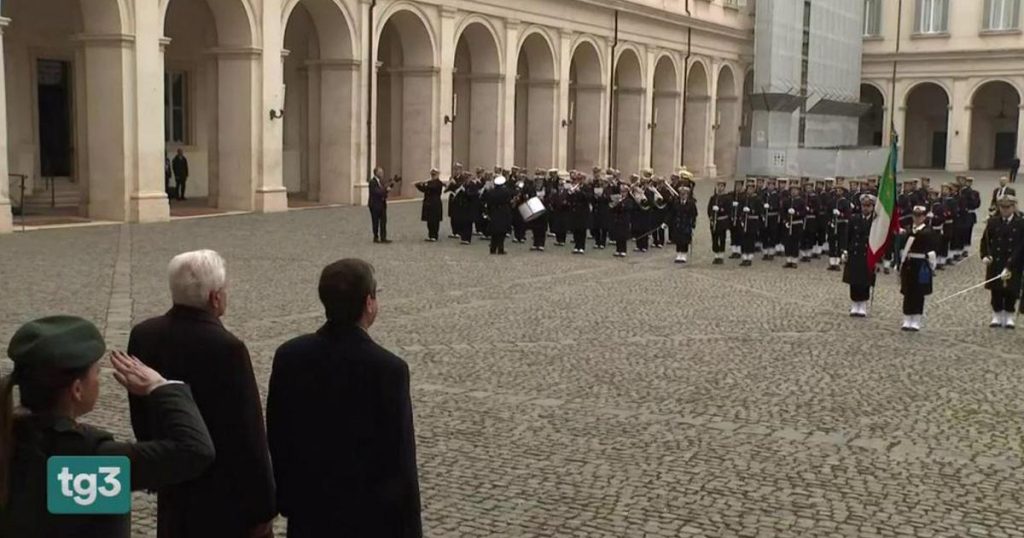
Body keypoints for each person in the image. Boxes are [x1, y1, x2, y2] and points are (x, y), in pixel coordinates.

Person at [0, 316, 215, 538]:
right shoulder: (88, 461)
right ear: (77, 390)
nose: (99, 380)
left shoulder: (10, 440)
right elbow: (195, 451)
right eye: (96, 372)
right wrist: (161, 387)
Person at [267, 259, 422, 538]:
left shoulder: (290, 356)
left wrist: (284, 500)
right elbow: (399, 460)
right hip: (368, 517)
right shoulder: (388, 369)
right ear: (369, 303)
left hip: (309, 512)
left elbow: (277, 436)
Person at [128, 250, 276, 538]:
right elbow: (248, 433)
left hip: (174, 483)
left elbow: (141, 413)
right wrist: (264, 506)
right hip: (224, 495)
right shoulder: (227, 347)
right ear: (215, 297)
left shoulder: (144, 335)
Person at [981, 195, 1024, 328]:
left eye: (1008, 207)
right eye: (1002, 207)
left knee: (1011, 290)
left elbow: (1021, 245)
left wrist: (1012, 263)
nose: (1005, 210)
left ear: (1013, 207)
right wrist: (985, 255)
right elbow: (985, 241)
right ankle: (997, 314)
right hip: (996, 261)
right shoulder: (993, 222)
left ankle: (1009, 315)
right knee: (996, 290)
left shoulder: (1020, 223)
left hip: (1014, 262)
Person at [899, 206, 939, 332]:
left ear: (924, 217)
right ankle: (907, 318)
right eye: (915, 216)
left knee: (919, 293)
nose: (917, 218)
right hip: (909, 264)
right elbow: (901, 246)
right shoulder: (909, 230)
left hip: (921, 264)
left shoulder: (928, 231)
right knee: (908, 292)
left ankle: (916, 319)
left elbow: (933, 247)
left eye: (920, 216)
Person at [842, 195, 877, 317]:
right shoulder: (854, 218)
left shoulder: (875, 221)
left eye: (868, 206)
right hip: (855, 253)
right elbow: (848, 235)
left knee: (865, 281)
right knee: (854, 280)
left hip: (868, 254)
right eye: (863, 205)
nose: (865, 208)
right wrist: (845, 250)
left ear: (872, 207)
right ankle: (854, 304)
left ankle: (862, 305)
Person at [483, 175, 514, 255]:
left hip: (494, 212)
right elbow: (509, 201)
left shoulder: (491, 192)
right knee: (502, 232)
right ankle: (500, 249)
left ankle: (492, 248)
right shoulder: (506, 192)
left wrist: (489, 212)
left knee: (494, 232)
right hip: (503, 212)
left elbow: (488, 202)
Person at [669, 186, 697, 263]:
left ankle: (684, 254)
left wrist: (693, 225)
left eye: (684, 194)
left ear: (687, 195)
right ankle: (679, 254)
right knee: (678, 240)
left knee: (685, 240)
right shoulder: (676, 203)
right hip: (678, 224)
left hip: (686, 224)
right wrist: (666, 222)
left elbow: (694, 215)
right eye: (681, 194)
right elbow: (671, 214)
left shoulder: (691, 203)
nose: (682, 196)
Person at [414, 169, 444, 242]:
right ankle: (430, 235)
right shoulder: (429, 182)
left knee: (435, 221)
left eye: (434, 174)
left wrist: (424, 183)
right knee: (429, 221)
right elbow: (424, 189)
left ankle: (434, 236)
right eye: (432, 175)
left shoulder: (439, 183)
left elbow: (431, 187)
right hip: (428, 203)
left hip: (435, 204)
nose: (433, 176)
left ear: (437, 175)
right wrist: (418, 185)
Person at [368, 166, 395, 244]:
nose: (382, 174)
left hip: (382, 204)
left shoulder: (382, 182)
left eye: (382, 172)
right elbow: (377, 192)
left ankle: (383, 237)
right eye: (381, 172)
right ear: (376, 173)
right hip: (374, 204)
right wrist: (386, 189)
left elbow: (383, 192)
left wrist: (389, 188)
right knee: (375, 221)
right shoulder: (372, 182)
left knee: (383, 221)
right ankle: (376, 237)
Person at [708, 180, 730, 264]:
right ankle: (716, 255)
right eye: (718, 186)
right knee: (714, 238)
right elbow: (709, 208)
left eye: (721, 186)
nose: (720, 188)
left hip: (722, 221)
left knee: (722, 238)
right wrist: (711, 215)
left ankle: (721, 255)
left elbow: (728, 209)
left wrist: (720, 210)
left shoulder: (727, 198)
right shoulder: (713, 198)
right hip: (714, 221)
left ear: (724, 187)